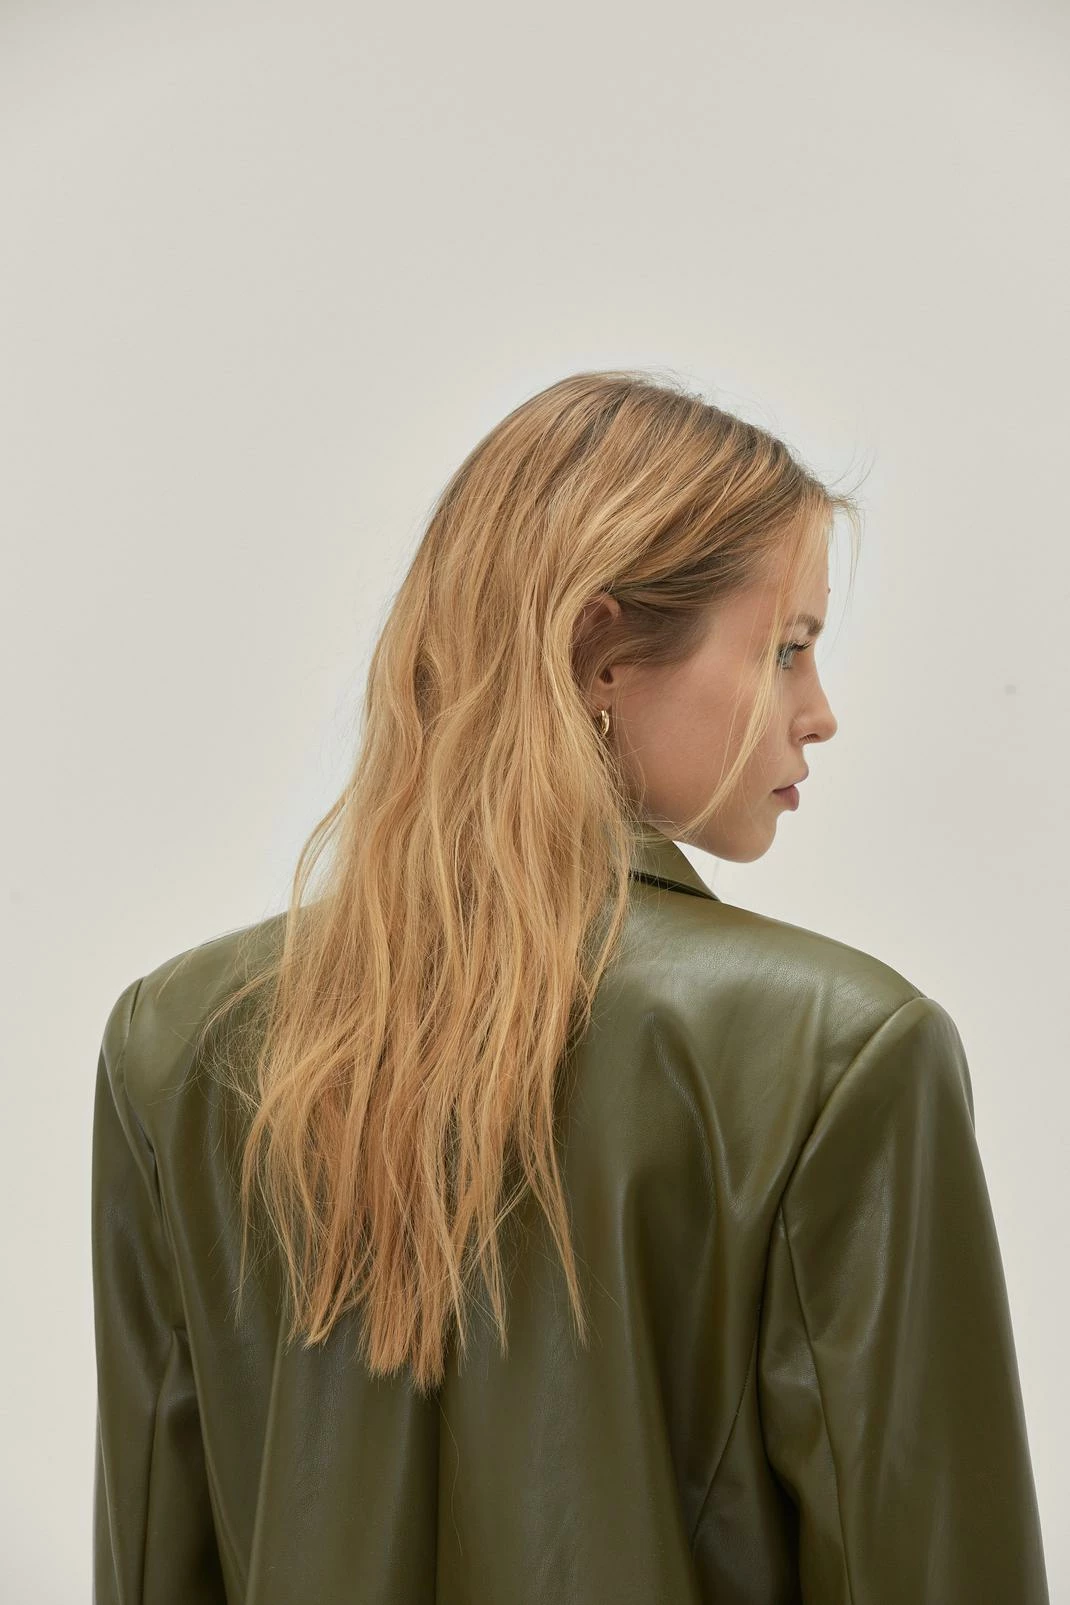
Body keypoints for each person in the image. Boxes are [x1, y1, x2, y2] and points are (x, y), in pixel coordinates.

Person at [91, 369, 1050, 1602]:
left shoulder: (177, 1042)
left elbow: (155, 1554)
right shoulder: (842, 1052)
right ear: (600, 653)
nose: (817, 714)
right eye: (786, 650)